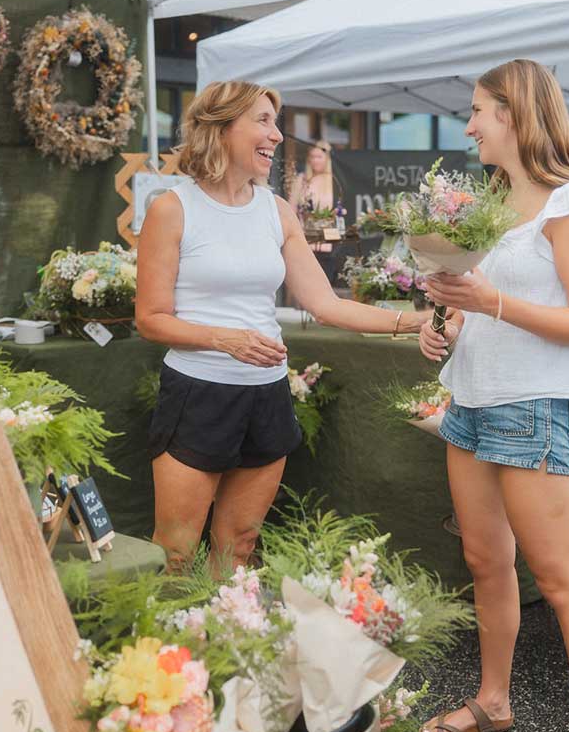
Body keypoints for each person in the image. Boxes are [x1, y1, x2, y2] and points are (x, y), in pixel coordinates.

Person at [136, 81, 430, 575]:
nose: (277, 135)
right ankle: (171, 653)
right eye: (264, 121)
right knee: (177, 552)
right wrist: (221, 338)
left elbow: (326, 305)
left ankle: (227, 646)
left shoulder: (276, 210)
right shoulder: (172, 209)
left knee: (242, 544)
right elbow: (150, 318)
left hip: (266, 395)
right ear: (222, 127)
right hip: (197, 395)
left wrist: (411, 320)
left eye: (277, 122)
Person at [419, 60, 569, 732]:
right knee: (484, 560)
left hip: (535, 405)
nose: (469, 124)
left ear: (514, 114)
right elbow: (486, 303)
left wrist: (492, 301)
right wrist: (449, 318)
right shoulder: (490, 205)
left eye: (478, 110)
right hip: (472, 400)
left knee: (561, 579)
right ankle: (495, 701)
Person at [288, 140, 335, 220]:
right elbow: (292, 207)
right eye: (312, 157)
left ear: (327, 158)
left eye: (319, 157)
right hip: (305, 228)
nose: (315, 161)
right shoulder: (302, 179)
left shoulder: (333, 180)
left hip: (329, 229)